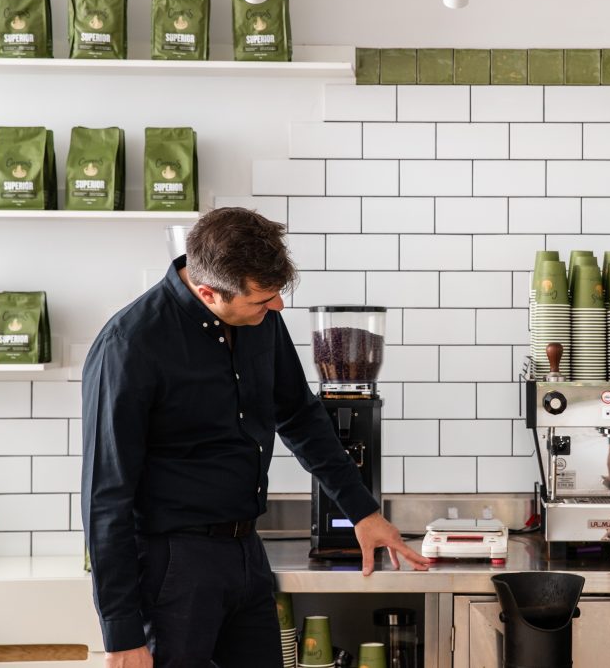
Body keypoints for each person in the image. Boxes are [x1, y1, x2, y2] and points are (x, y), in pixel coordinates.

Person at [82, 208, 429, 668]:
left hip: (247, 552)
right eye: (264, 299)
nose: (278, 307)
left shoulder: (258, 318)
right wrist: (122, 633)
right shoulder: (129, 346)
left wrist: (361, 510)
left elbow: (301, 417)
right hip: (173, 568)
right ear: (209, 292)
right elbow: (106, 497)